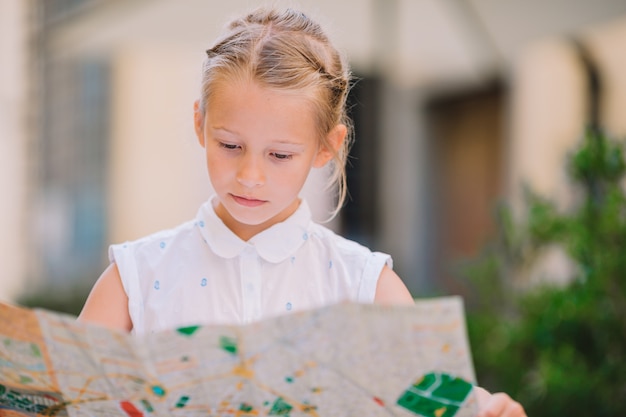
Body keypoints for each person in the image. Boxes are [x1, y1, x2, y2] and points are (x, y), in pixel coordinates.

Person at [78, 7, 526, 416]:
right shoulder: (136, 275)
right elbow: (56, 397)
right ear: (200, 123)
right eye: (230, 145)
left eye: (280, 155)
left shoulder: (362, 284)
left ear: (326, 147)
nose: (250, 174)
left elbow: (438, 398)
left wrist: (489, 409)